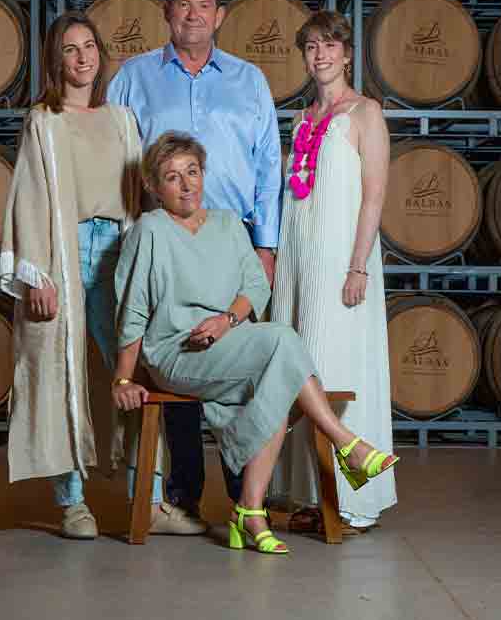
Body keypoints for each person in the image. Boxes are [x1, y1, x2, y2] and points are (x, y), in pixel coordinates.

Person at [110, 132, 399, 554]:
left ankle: (249, 509)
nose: (186, 184)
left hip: (228, 342)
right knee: (282, 342)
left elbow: (254, 286)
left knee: (277, 379)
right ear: (154, 187)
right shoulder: (149, 231)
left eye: (192, 172)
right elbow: (132, 309)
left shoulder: (228, 223)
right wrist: (122, 379)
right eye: (173, 177)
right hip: (177, 352)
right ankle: (344, 443)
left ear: (204, 174)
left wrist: (226, 321)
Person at [0, 11, 202, 540]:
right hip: (63, 255)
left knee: (137, 375)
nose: (83, 57)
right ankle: (72, 503)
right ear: (56, 59)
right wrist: (35, 275)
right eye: (70, 49)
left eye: (89, 46)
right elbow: (27, 198)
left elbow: (142, 195)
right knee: (61, 377)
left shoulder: (120, 119)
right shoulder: (42, 121)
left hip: (119, 252)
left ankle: (150, 501)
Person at [107, 0, 282, 517]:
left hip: (232, 240)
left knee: (237, 368)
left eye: (204, 5)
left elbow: (269, 166)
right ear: (166, 12)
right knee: (182, 358)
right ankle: (183, 494)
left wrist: (266, 245)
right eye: (182, 4)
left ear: (220, 16)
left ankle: (241, 494)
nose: (193, 15)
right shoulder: (133, 77)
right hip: (166, 241)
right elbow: (118, 162)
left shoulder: (249, 80)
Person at [269, 11, 396, 536]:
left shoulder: (366, 114)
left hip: (343, 262)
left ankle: (352, 498)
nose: (320, 54)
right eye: (311, 47)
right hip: (299, 259)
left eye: (330, 45)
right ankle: (306, 494)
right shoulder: (301, 119)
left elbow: (374, 196)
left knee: (337, 368)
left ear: (347, 54)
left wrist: (358, 265)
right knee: (294, 370)